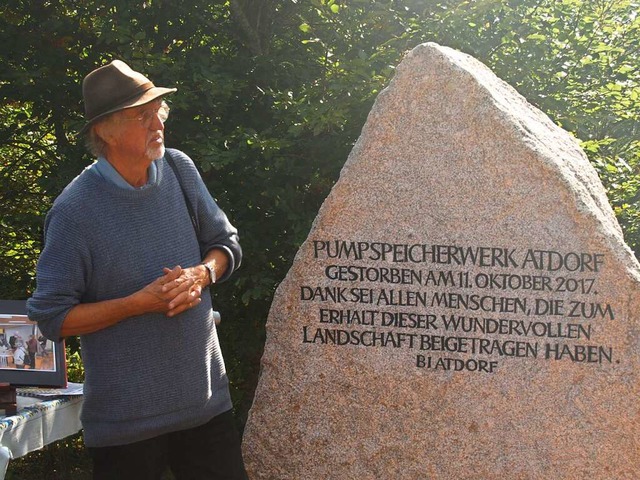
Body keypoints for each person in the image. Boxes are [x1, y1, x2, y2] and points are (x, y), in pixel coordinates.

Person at [27, 60, 248, 480]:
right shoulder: (75, 212)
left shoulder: (180, 169)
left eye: (158, 111)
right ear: (104, 131)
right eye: (141, 115)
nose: (156, 123)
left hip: (205, 408)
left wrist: (201, 274)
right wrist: (137, 304)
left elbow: (227, 244)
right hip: (126, 428)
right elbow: (51, 317)